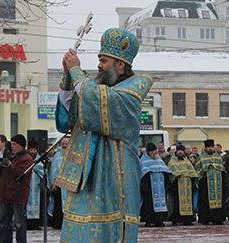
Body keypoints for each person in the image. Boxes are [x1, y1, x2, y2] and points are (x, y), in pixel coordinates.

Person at [53, 27, 151, 242]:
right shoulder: (93, 88)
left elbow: (102, 100)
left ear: (120, 64)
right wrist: (68, 77)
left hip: (114, 175)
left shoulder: (132, 90)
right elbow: (67, 120)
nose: (98, 65)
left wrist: (77, 71)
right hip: (86, 175)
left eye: (104, 60)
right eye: (99, 59)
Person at [0, 134, 34, 243]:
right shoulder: (12, 156)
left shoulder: (26, 158)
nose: (12, 146)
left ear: (21, 145)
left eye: (14, 144)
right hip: (6, 195)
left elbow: (21, 174)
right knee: (2, 222)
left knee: (19, 224)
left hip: (18, 196)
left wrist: (9, 165)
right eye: (11, 144)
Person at [195, 139, 228, 225]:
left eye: (211, 147)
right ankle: (205, 219)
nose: (210, 149)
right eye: (208, 147)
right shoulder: (201, 157)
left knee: (219, 200)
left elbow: (222, 168)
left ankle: (218, 219)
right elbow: (198, 170)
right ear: (205, 148)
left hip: (218, 183)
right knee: (205, 201)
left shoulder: (218, 156)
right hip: (205, 184)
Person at [139, 143, 172, 227]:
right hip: (149, 187)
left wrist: (167, 182)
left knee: (161, 203)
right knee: (148, 204)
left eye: (156, 152)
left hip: (160, 187)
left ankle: (159, 221)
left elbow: (165, 170)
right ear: (148, 152)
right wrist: (144, 187)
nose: (155, 154)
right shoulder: (143, 160)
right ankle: (149, 221)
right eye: (153, 152)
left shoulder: (159, 159)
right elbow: (143, 174)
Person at [167, 144, 199, 226]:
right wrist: (180, 174)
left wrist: (190, 176)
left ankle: (187, 219)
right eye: (179, 150)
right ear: (176, 151)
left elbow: (192, 171)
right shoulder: (172, 161)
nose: (180, 152)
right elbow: (171, 171)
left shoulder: (186, 161)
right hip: (177, 184)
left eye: (182, 150)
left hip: (187, 184)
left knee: (189, 202)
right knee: (177, 202)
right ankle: (176, 219)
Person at [48, 136, 70, 229]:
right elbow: (53, 169)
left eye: (66, 144)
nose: (64, 145)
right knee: (58, 204)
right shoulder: (57, 154)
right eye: (63, 144)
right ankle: (58, 224)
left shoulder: (73, 154)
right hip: (59, 185)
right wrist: (53, 182)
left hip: (69, 184)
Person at [26, 140, 43, 230]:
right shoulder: (25, 158)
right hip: (27, 185)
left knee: (36, 204)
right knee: (27, 204)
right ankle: (28, 224)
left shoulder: (39, 159)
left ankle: (35, 224)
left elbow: (42, 171)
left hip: (36, 186)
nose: (32, 152)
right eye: (31, 150)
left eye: (34, 150)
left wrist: (34, 165)